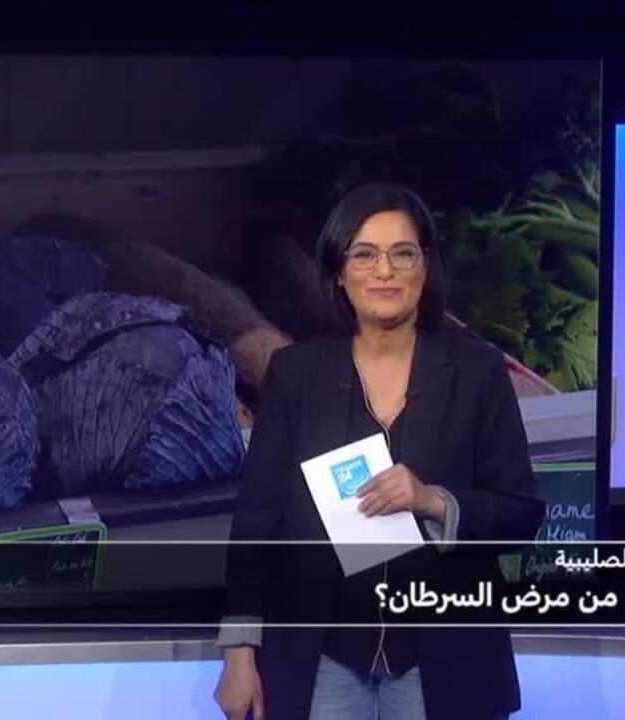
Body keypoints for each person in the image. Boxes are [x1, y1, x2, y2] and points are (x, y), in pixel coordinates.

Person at [214, 183, 545, 720]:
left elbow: (520, 512)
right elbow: (256, 522)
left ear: (425, 267)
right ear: (339, 272)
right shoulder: (296, 375)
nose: (384, 271)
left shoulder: (477, 372)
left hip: (444, 662)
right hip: (322, 660)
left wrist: (434, 500)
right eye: (365, 255)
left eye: (402, 254)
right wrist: (238, 655)